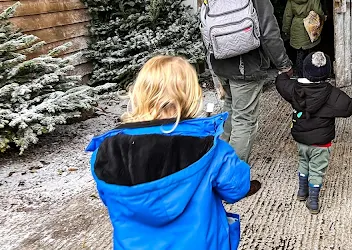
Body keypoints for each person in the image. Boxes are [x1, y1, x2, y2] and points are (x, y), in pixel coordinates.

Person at [86, 56, 259, 250]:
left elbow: (109, 198)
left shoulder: (107, 151)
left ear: (139, 93)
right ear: (191, 96)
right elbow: (236, 188)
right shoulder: (210, 149)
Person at [202, 0, 293, 163]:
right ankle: (233, 179)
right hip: (246, 63)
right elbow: (267, 26)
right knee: (244, 120)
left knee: (229, 111)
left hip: (221, 60)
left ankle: (217, 167)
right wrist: (283, 64)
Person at [275, 51, 352, 214]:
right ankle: (313, 202)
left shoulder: (294, 89)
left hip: (301, 140)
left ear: (304, 70)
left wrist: (284, 75)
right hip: (321, 143)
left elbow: (280, 83)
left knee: (303, 162)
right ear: (327, 73)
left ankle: (301, 192)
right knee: (317, 170)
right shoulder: (333, 94)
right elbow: (350, 107)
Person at [282, 0, 325, 77]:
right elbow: (317, 9)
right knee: (310, 52)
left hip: (297, 26)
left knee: (299, 54)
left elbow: (287, 15)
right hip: (310, 25)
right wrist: (323, 17)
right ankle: (310, 75)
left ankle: (301, 77)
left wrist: (286, 30)